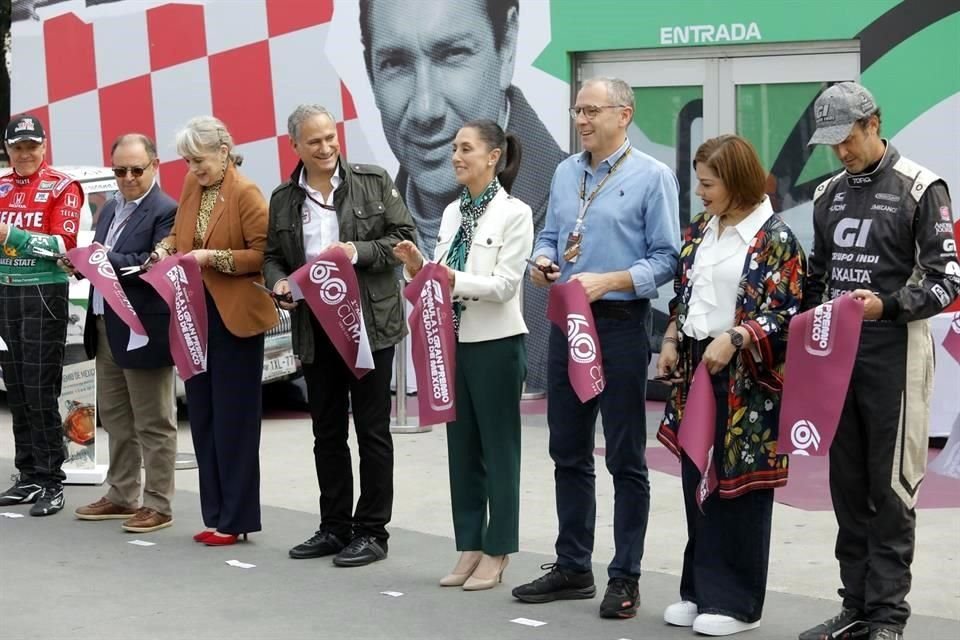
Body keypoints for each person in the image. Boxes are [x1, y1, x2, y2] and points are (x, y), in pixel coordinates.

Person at [512, 77, 681, 619]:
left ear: (624, 114)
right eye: (577, 109)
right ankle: (572, 565)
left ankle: (625, 576)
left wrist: (608, 281)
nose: (581, 119)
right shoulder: (564, 172)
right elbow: (551, 235)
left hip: (619, 325)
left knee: (627, 456)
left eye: (591, 110)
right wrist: (540, 263)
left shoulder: (653, 178)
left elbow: (666, 260)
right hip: (566, 323)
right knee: (568, 448)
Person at [798, 82, 959, 640]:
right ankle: (856, 605)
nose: (841, 152)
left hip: (898, 355)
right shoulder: (826, 195)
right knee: (846, 487)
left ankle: (889, 616)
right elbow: (816, 279)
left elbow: (947, 281)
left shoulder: (921, 186)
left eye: (847, 139)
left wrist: (886, 306)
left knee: (890, 490)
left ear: (874, 122)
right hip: (836, 362)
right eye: (831, 144)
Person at [358, 0, 567, 392]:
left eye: (452, 55)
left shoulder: (561, 204)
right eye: (396, 63)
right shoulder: (377, 222)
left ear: (507, 49)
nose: (425, 109)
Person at [656, 135, 805, 636]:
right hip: (698, 368)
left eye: (707, 183)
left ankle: (739, 604)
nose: (700, 192)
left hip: (748, 380)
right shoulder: (703, 228)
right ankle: (698, 591)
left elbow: (789, 311)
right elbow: (685, 290)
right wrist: (674, 336)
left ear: (736, 182)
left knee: (738, 488)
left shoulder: (775, 238)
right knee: (697, 479)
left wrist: (738, 336)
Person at [263, 105, 415, 567]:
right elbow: (272, 256)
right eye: (315, 142)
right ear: (295, 147)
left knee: (371, 431)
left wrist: (357, 250)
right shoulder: (284, 198)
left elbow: (403, 239)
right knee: (326, 431)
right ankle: (334, 527)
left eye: (331, 138)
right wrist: (279, 284)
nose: (327, 148)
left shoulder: (371, 180)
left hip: (369, 326)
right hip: (314, 328)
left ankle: (372, 532)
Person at [393, 120, 532, 590]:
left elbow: (506, 285)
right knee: (462, 449)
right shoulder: (452, 212)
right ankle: (469, 543)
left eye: (466, 149)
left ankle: (498, 549)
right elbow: (438, 276)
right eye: (455, 148)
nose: (456, 156)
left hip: (495, 344)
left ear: (493, 156)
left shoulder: (515, 213)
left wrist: (452, 280)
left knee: (499, 449)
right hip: (451, 342)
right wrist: (419, 267)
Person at [151, 116, 278, 546]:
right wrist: (166, 249)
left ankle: (237, 517)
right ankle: (216, 513)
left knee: (234, 421)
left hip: (235, 319)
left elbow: (262, 255)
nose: (193, 168)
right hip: (195, 314)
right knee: (203, 416)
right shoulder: (192, 187)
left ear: (224, 151)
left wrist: (212, 258)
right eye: (187, 161)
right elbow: (178, 233)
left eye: (199, 159)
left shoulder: (245, 192)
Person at [70, 134, 178, 533]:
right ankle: (121, 494)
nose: (128, 177)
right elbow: (103, 259)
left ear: (155, 165)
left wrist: (97, 259)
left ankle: (159, 504)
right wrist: (81, 265)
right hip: (104, 323)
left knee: (153, 420)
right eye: (120, 170)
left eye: (137, 169)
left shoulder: (167, 210)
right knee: (116, 418)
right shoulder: (111, 205)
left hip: (142, 326)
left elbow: (147, 265)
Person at [0, 114, 83, 516]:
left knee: (39, 388)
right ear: (7, 149)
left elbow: (63, 246)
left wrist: (11, 236)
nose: (25, 153)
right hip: (4, 293)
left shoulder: (63, 186)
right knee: (14, 388)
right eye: (18, 147)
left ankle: (52, 479)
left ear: (44, 146)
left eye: (32, 146)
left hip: (44, 293)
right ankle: (28, 473)